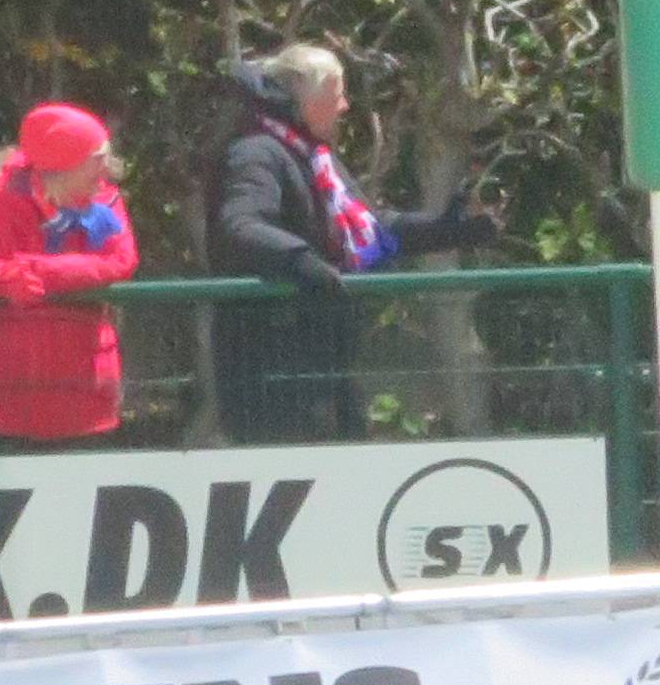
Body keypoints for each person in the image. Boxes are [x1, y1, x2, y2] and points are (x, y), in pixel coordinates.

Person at [205, 44, 498, 445]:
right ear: (304, 101)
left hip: (324, 361)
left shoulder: (311, 155)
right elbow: (241, 224)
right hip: (270, 371)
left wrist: (452, 229)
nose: (345, 107)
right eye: (336, 96)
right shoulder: (256, 153)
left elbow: (371, 228)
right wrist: (302, 262)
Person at [0, 102, 138, 446]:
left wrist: (39, 270)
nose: (105, 169)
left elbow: (121, 260)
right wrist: (3, 277)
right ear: (64, 164)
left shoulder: (106, 202)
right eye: (96, 159)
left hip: (81, 397)